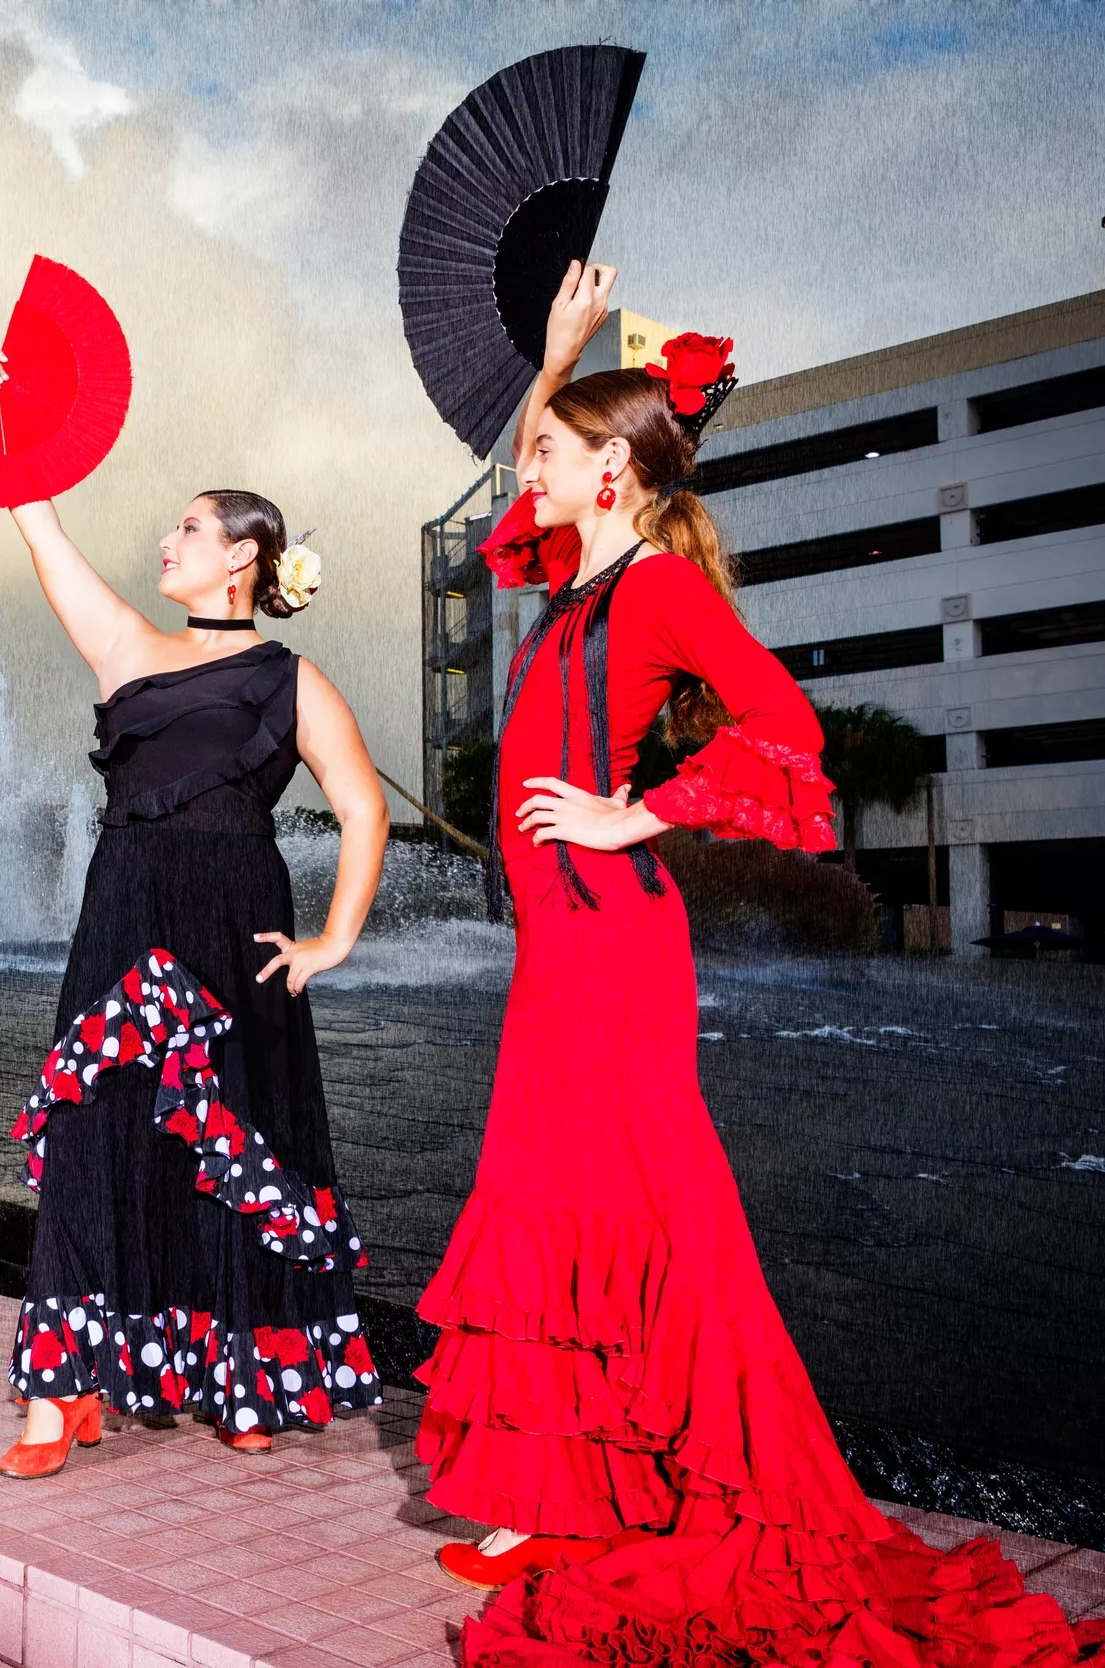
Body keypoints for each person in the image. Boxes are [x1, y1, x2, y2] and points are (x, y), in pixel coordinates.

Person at [419, 262, 1101, 1668]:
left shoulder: (658, 587)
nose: (519, 471)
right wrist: (553, 361)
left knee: (648, 1208)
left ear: (611, 472)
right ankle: (576, 1487)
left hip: (611, 940)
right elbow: (538, 485)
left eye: (546, 454)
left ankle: (687, 1485)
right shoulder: (577, 582)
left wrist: (634, 810)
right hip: (568, 945)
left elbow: (785, 725)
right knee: (567, 1202)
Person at [0, 350, 389, 1478]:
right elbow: (38, 531)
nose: (168, 541)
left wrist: (334, 939)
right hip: (125, 923)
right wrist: (6, 425)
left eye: (191, 528)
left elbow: (360, 811)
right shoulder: (127, 649)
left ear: (244, 555)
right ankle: (60, 1395)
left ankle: (240, 1374)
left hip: (235, 925)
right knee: (93, 1137)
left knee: (236, 1147)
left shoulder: (291, 681)